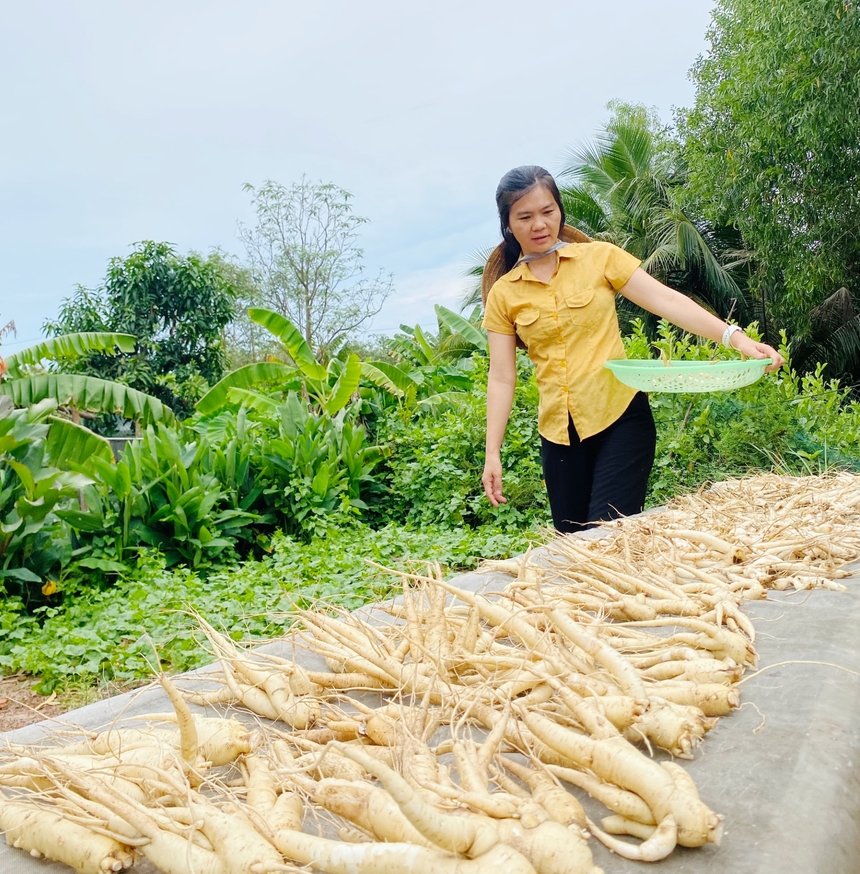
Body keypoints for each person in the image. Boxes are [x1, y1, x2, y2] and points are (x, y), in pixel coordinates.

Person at [480, 165, 784, 532]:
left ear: (560, 209)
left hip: (621, 418)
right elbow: (500, 377)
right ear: (508, 224)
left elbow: (667, 301)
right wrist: (492, 452)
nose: (539, 225)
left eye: (547, 211)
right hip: (559, 437)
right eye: (525, 216)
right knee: (574, 546)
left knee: (606, 536)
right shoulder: (504, 294)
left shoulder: (600, 258)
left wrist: (736, 338)